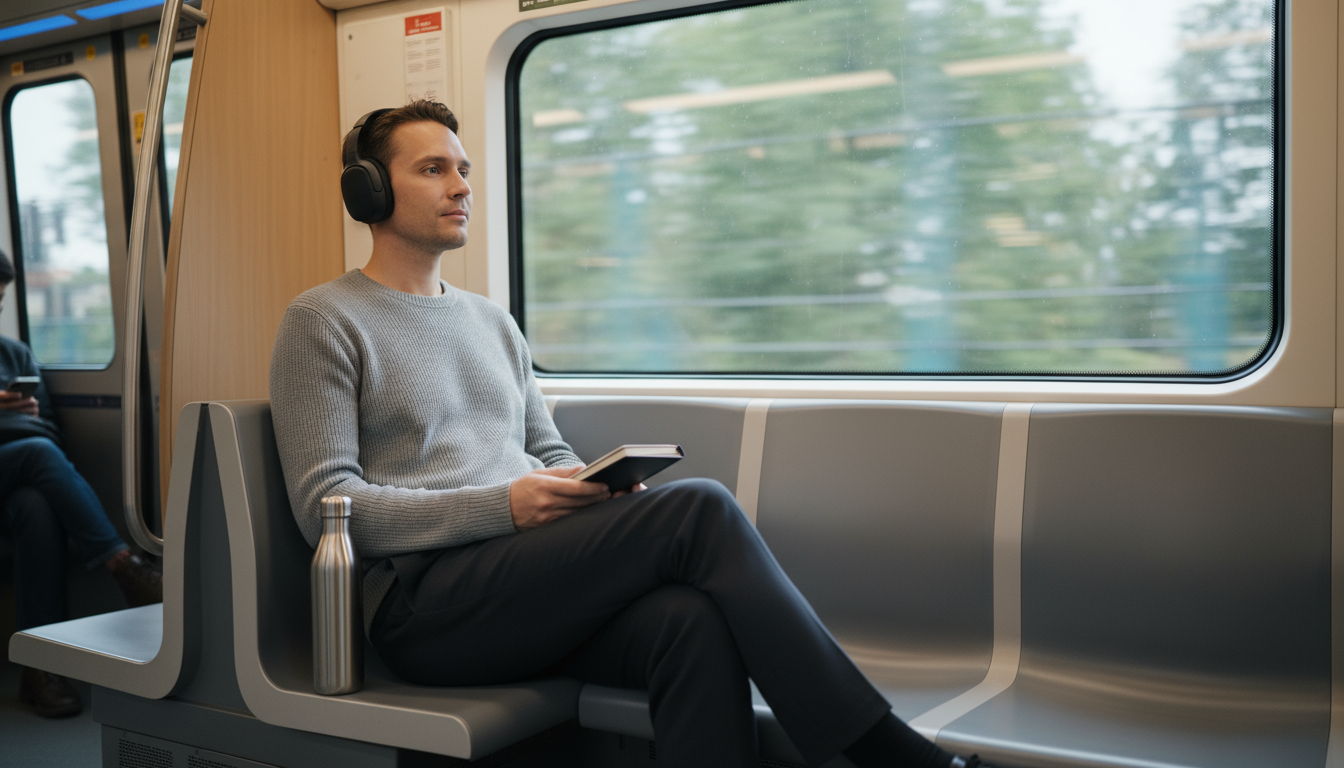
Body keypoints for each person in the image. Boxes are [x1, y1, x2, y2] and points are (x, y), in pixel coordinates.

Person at [269, 100, 989, 768]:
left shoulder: (492, 321)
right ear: (370, 193)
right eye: (433, 169)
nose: (460, 186)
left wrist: (591, 491)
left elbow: (547, 451)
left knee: (689, 620)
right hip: (425, 607)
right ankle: (897, 758)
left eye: (463, 169)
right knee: (698, 508)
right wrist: (505, 506)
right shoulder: (324, 320)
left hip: (521, 578)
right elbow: (326, 507)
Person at [0, 250, 163, 718]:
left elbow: (48, 430)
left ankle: (39, 668)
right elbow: (37, 445)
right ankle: (123, 566)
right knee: (36, 453)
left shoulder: (15, 353)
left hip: (17, 474)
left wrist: (23, 420)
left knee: (36, 506)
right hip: (24, 457)